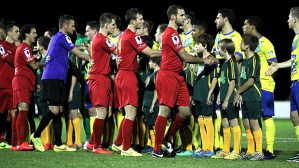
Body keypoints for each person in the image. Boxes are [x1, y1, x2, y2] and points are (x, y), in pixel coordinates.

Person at [152, 4, 213, 158]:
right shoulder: (170, 34)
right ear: (173, 17)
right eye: (181, 15)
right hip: (168, 76)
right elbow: (185, 57)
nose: (184, 18)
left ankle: (167, 138)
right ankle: (157, 149)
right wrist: (203, 60)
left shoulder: (175, 34)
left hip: (178, 76)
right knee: (164, 111)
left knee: (185, 112)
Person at [31, 15, 90, 152]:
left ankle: (58, 144)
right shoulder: (62, 37)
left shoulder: (57, 38)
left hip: (56, 77)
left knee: (58, 111)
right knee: (55, 110)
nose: (74, 28)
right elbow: (78, 54)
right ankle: (36, 135)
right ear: (65, 25)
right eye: (73, 25)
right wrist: (93, 59)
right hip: (53, 78)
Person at [111, 8, 161, 157]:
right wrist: (172, 51)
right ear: (132, 21)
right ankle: (126, 149)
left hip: (122, 75)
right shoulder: (132, 36)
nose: (142, 21)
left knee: (128, 113)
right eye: (140, 19)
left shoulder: (122, 36)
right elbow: (151, 53)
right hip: (127, 76)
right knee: (131, 114)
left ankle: (118, 143)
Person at [266, 7, 299, 162]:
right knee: (294, 116)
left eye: (288, 17)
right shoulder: (295, 38)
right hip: (295, 81)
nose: (287, 20)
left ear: (295, 20)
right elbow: (294, 60)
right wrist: (277, 65)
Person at [242, 16, 277, 159]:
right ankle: (256, 150)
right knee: (253, 118)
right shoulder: (249, 45)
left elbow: (274, 64)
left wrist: (268, 80)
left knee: (266, 116)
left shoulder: (265, 43)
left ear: (252, 27)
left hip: (264, 84)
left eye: (245, 25)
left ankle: (269, 150)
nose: (243, 27)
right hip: (254, 85)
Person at [87, 13, 117, 155]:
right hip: (99, 78)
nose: (114, 26)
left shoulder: (98, 39)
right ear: (106, 25)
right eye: (112, 24)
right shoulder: (102, 39)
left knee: (107, 112)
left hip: (102, 77)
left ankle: (92, 142)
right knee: (102, 112)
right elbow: (119, 50)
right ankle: (96, 146)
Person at [12, 24, 43, 151]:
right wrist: (47, 61)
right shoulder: (24, 48)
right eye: (34, 33)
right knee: (23, 110)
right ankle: (21, 143)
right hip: (21, 82)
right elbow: (34, 66)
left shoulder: (26, 48)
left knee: (20, 112)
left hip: (22, 82)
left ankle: (15, 143)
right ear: (27, 34)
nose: (35, 35)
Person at [234, 34, 263, 161]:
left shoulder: (254, 59)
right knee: (246, 123)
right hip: (245, 96)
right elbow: (242, 79)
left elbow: (251, 81)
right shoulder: (244, 61)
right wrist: (240, 93)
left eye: (241, 42)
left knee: (254, 123)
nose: (240, 45)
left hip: (253, 95)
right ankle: (251, 151)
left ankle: (259, 152)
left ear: (247, 46)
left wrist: (238, 92)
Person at [211, 38, 241, 160]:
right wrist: (219, 96)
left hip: (230, 98)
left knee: (233, 121)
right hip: (223, 97)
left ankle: (236, 151)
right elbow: (223, 82)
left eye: (218, 48)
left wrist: (227, 100)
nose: (217, 50)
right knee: (224, 121)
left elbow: (233, 83)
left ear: (224, 49)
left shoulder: (232, 63)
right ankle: (226, 150)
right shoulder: (223, 63)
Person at [191, 34, 218, 158]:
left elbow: (214, 79)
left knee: (208, 121)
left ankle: (210, 148)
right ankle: (203, 147)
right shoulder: (199, 59)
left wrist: (210, 94)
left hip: (206, 94)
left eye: (198, 44)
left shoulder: (211, 59)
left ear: (205, 45)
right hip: (197, 94)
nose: (196, 46)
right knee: (201, 122)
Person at [0, 20, 19, 149]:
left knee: (14, 113)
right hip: (1, 85)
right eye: (16, 31)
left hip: (13, 85)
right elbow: (11, 59)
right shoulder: (1, 45)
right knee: (1, 114)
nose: (18, 34)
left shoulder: (18, 48)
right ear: (9, 33)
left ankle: (13, 140)